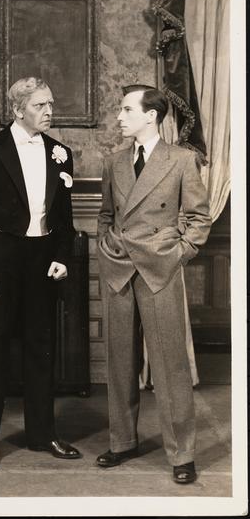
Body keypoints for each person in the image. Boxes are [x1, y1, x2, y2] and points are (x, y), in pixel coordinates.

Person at [0, 77, 82, 471]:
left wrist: (62, 255)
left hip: (42, 264)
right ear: (17, 110)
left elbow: (64, 217)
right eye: (40, 105)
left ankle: (42, 435)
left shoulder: (61, 153)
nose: (49, 111)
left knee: (41, 352)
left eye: (51, 104)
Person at [96, 84, 212, 484]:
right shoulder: (114, 161)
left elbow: (198, 218)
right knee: (119, 361)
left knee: (170, 365)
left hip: (160, 269)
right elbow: (106, 214)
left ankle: (182, 454)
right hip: (118, 268)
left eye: (127, 110)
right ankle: (122, 442)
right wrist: (106, 246)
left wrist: (178, 253)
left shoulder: (181, 159)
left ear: (151, 116)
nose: (119, 117)